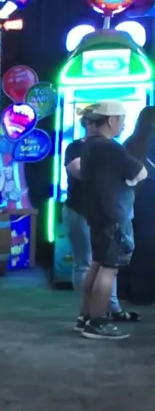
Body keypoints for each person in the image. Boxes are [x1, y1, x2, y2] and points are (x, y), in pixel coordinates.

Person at [68, 100, 148, 340]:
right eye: (122, 120)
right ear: (112, 120)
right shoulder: (109, 147)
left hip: (97, 213)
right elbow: (140, 171)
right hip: (114, 215)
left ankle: (85, 317)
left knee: (96, 264)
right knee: (109, 268)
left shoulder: (87, 146)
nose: (123, 125)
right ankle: (97, 322)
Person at [62, 111, 127, 328]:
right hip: (79, 210)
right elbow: (80, 172)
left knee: (105, 263)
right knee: (86, 263)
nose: (93, 126)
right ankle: (90, 313)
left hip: (104, 213)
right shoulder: (76, 147)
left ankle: (109, 309)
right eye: (89, 122)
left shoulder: (112, 147)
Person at [121, 105, 155, 305]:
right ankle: (145, 293)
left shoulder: (130, 142)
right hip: (150, 197)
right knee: (149, 247)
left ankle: (129, 291)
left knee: (134, 246)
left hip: (131, 199)